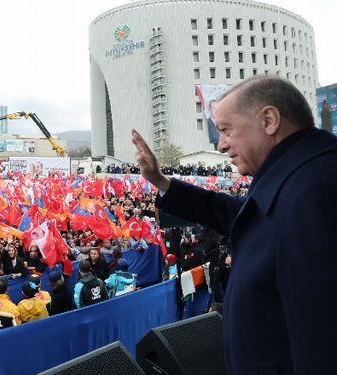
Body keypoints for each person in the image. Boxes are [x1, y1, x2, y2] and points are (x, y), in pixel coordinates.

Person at [131, 75, 337, 374]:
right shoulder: (294, 177)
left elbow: (324, 339)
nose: (221, 144)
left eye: (226, 130)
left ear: (269, 120)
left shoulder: (316, 190)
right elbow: (238, 213)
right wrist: (161, 182)